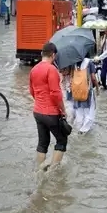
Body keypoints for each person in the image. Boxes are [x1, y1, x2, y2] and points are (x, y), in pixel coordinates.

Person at [29, 42, 67, 170]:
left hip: (37, 112)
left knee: (42, 143)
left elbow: (32, 91)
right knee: (62, 140)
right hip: (51, 113)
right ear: (53, 55)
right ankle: (52, 172)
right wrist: (63, 110)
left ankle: (39, 171)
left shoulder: (34, 69)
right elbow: (56, 94)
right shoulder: (52, 70)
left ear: (42, 54)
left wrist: (40, 103)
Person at [66, 53, 99, 134]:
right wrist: (98, 88)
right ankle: (84, 130)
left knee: (79, 111)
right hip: (86, 91)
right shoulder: (89, 63)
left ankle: (78, 129)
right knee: (89, 112)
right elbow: (93, 78)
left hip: (76, 91)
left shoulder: (73, 64)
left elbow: (71, 77)